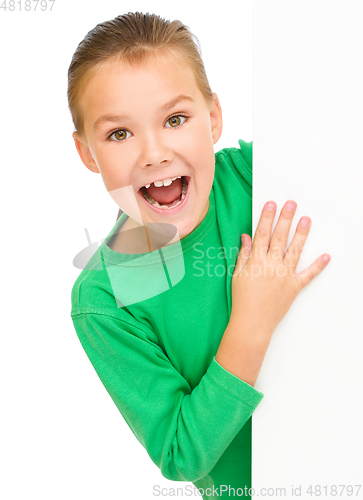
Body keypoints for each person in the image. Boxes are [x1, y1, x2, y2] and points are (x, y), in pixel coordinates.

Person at [68, 12, 331, 499]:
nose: (154, 153)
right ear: (87, 154)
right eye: (119, 134)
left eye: (175, 119)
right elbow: (181, 454)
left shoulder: (262, 173)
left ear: (213, 119)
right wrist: (251, 322)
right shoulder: (105, 297)